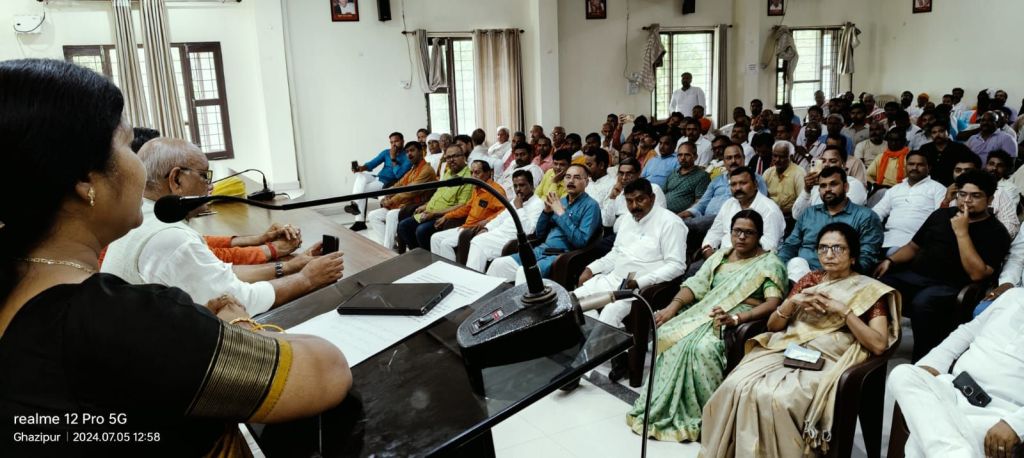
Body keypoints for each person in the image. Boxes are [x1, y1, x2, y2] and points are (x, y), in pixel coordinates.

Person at [0, 59, 351, 455]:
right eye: (128, 145)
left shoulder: (21, 289)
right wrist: (237, 323)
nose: (139, 163)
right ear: (85, 179)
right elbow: (326, 372)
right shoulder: (124, 320)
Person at [701, 223, 901, 457]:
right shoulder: (810, 280)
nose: (829, 254)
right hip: (787, 347)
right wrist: (792, 303)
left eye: (838, 248)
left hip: (829, 357)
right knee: (734, 386)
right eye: (823, 248)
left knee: (779, 398)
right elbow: (773, 326)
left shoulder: (869, 290)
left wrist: (843, 311)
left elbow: (878, 344)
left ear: (853, 256)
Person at [102, 138, 345, 315]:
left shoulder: (139, 218)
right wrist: (307, 279)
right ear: (176, 179)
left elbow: (219, 274)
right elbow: (241, 301)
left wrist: (294, 264)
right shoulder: (171, 239)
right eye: (204, 176)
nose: (211, 187)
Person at [626, 210, 788, 441]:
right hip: (706, 309)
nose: (741, 237)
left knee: (703, 348)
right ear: (730, 232)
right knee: (670, 334)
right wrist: (672, 308)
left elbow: (773, 303)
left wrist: (737, 318)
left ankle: (706, 416)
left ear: (760, 235)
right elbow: (695, 285)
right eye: (737, 231)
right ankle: (662, 406)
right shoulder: (720, 256)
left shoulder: (770, 264)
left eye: (749, 233)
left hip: (737, 315)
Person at [877, 170, 1011, 361]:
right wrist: (890, 260)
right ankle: (876, 350)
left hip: (952, 285)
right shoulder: (941, 215)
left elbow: (978, 274)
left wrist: (962, 232)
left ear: (989, 199)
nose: (967, 201)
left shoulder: (996, 232)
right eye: (962, 194)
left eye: (975, 196)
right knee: (880, 289)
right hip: (918, 276)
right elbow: (913, 247)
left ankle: (923, 361)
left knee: (923, 303)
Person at [888, 287, 1024, 458]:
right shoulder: (1013, 295)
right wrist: (933, 363)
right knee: (903, 374)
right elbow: (967, 331)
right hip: (953, 389)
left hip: (999, 414)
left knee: (925, 434)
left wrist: (1017, 424)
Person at [577, 178, 687, 332]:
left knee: (610, 312)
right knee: (573, 301)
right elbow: (617, 252)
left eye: (640, 200)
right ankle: (607, 339)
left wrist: (640, 282)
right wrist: (592, 268)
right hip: (614, 278)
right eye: (629, 201)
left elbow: (677, 266)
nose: (634, 206)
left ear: (652, 198)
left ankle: (609, 341)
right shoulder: (628, 219)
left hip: (640, 287)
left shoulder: (670, 223)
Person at [487, 164, 601, 283]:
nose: (571, 181)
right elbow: (539, 234)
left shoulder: (591, 206)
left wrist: (561, 213)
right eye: (568, 177)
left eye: (576, 177)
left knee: (525, 272)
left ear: (586, 182)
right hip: (540, 250)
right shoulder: (560, 201)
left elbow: (581, 241)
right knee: (498, 264)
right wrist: (546, 212)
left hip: (560, 257)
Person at [779, 166, 884, 282]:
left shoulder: (866, 216)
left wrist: (839, 277)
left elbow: (867, 257)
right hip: (800, 272)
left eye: (833, 184)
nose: (827, 189)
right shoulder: (809, 213)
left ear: (846, 187)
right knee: (795, 262)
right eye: (823, 186)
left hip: (841, 278)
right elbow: (790, 246)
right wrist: (778, 267)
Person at [682, 144, 768, 241]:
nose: (733, 161)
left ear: (744, 158)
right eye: (729, 158)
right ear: (724, 161)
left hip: (729, 221)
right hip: (705, 221)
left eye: (737, 157)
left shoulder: (755, 180)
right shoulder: (717, 180)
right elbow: (701, 204)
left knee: (683, 227)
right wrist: (683, 214)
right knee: (678, 222)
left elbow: (759, 206)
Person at [463, 170, 545, 272]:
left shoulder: (538, 204)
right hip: (499, 233)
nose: (518, 189)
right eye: (515, 186)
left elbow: (529, 230)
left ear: (531, 185)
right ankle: (473, 275)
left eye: (522, 185)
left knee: (478, 243)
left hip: (511, 240)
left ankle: (473, 276)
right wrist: (487, 228)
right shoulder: (516, 200)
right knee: (477, 239)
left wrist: (519, 208)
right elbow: (501, 218)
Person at [396, 145, 473, 250]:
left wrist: (435, 213)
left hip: (443, 216)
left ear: (463, 157)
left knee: (421, 230)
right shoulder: (448, 173)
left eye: (455, 156)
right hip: (429, 211)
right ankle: (418, 254)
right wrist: (425, 205)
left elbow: (462, 205)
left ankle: (428, 257)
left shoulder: (468, 178)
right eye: (448, 157)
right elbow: (438, 194)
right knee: (403, 226)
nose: (451, 160)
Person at [700, 167, 786, 260]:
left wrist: (730, 260)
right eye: (733, 184)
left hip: (754, 262)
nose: (737, 188)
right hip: (720, 259)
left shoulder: (769, 210)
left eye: (743, 183)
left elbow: (768, 247)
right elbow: (715, 232)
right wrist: (708, 250)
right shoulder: (729, 204)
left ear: (755, 185)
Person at [872, 150, 947, 255]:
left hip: (917, 242)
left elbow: (940, 218)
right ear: (905, 166)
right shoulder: (895, 189)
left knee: (891, 254)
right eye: (911, 164)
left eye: (920, 165)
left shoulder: (938, 189)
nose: (914, 168)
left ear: (929, 168)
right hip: (887, 239)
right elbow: (876, 213)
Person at [365, 141, 438, 248]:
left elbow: (411, 191)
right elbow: (399, 184)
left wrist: (391, 201)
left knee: (391, 215)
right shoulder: (413, 170)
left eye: (412, 150)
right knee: (373, 215)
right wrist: (386, 195)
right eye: (407, 152)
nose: (409, 154)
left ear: (421, 152)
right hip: (403, 205)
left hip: (416, 206)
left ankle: (388, 249)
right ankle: (390, 247)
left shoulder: (426, 170)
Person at [429, 160, 505, 260]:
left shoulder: (496, 191)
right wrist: (447, 216)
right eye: (471, 173)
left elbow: (504, 211)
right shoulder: (477, 188)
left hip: (477, 230)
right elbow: (466, 208)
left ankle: (452, 269)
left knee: (445, 244)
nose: (473, 176)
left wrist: (487, 221)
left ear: (488, 173)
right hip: (465, 226)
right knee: (435, 238)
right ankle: (439, 267)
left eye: (477, 173)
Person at [346, 132, 411, 226]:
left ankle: (359, 221)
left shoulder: (407, 156)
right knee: (360, 176)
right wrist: (361, 168)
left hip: (387, 183)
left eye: (396, 141)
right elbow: (372, 163)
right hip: (377, 178)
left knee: (361, 191)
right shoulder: (386, 152)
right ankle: (354, 205)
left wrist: (393, 158)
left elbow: (399, 175)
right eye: (391, 142)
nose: (394, 144)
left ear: (403, 141)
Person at [792, 146, 869, 219]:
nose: (826, 165)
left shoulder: (854, 185)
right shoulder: (816, 186)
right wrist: (807, 190)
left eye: (833, 161)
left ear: (843, 164)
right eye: (823, 161)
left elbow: (842, 215)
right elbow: (797, 215)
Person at [600, 157, 667, 232]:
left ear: (639, 173)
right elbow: (607, 223)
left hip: (644, 232)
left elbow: (658, 218)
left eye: (629, 174)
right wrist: (612, 197)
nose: (624, 178)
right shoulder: (617, 191)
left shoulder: (653, 189)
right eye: (621, 173)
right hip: (618, 234)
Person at [664, 142, 710, 215]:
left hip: (681, 216)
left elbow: (699, 202)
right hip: (663, 212)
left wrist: (684, 214)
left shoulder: (702, 175)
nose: (682, 158)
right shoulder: (673, 173)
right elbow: (663, 193)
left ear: (695, 157)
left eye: (687, 155)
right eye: (680, 155)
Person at [918, 122, 970, 186]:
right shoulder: (925, 148)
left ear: (948, 132)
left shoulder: (960, 148)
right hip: (928, 184)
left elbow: (975, 162)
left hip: (953, 184)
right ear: (931, 135)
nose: (937, 134)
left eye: (941, 131)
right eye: (934, 132)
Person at [763, 140, 806, 216]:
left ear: (791, 157)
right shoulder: (768, 173)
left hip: (791, 217)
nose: (777, 160)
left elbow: (803, 202)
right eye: (775, 156)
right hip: (770, 214)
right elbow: (761, 197)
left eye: (782, 157)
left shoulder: (799, 173)